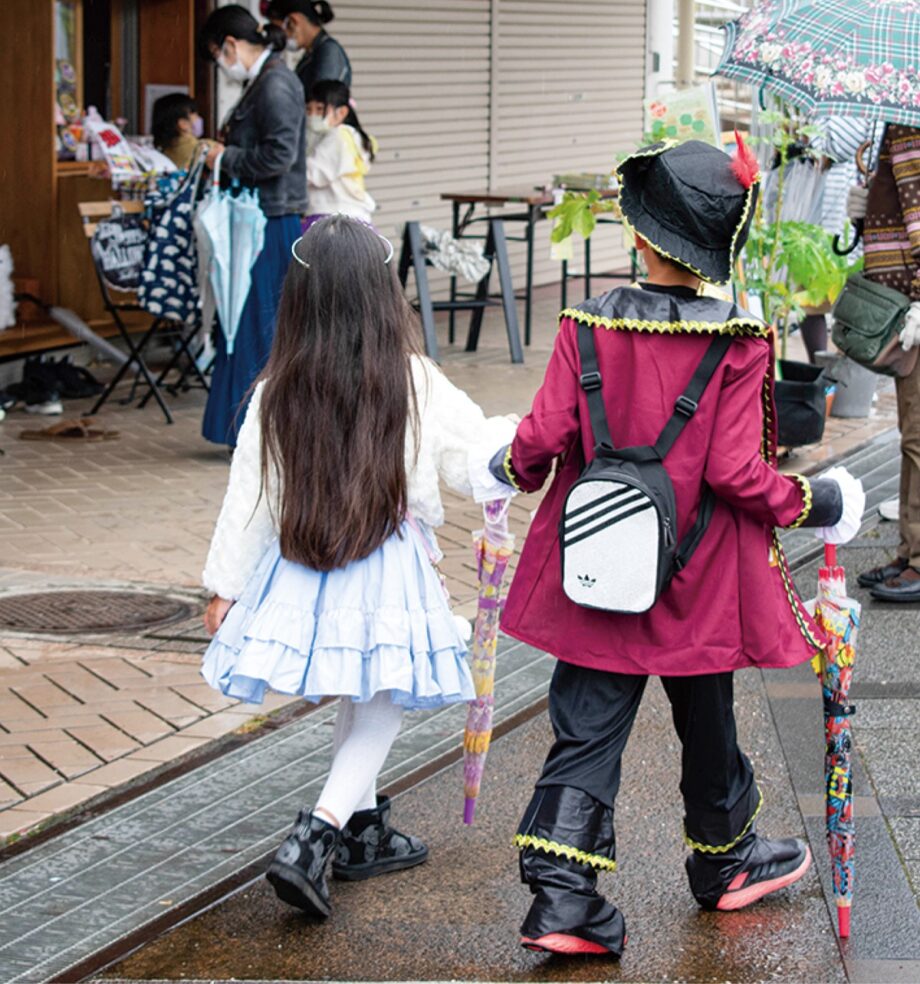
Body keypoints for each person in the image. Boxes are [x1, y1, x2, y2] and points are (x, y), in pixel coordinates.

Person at [486, 138, 865, 957]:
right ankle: (726, 860)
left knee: (585, 724)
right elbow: (736, 472)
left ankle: (561, 899)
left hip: (596, 562)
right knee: (709, 717)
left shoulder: (583, 327)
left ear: (645, 236)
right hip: (696, 573)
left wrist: (506, 464)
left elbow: (540, 442)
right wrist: (813, 498)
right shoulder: (738, 341)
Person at [200, 216, 517, 918]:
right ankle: (316, 835)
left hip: (306, 563)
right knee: (382, 700)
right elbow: (476, 457)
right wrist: (531, 441)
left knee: (361, 688)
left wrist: (224, 585)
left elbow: (249, 498)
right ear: (384, 295)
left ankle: (364, 831)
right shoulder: (414, 380)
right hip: (385, 567)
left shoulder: (276, 388)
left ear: (299, 300)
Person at [197, 5, 307, 449]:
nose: (221, 65)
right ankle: (246, 430)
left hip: (270, 219)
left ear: (229, 45)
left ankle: (257, 432)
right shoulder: (268, 80)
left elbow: (279, 156)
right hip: (259, 217)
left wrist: (222, 158)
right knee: (245, 320)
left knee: (259, 323)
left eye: (217, 55)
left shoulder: (276, 82)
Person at [847, 124, 920, 602]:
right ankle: (910, 550)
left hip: (911, 304)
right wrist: (864, 211)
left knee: (917, 436)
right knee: (911, 433)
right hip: (903, 303)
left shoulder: (912, 127)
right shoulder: (899, 126)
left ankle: (917, 559)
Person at [304, 79, 376, 230]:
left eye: (319, 109)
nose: (312, 115)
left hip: (332, 218)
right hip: (356, 218)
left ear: (342, 112)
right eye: (308, 110)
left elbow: (312, 173)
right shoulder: (353, 136)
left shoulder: (337, 137)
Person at [278, 0, 351, 103]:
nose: (282, 37)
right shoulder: (313, 51)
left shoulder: (328, 51)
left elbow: (322, 101)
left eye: (280, 30)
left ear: (293, 21)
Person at [150, 93, 210, 171]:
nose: (198, 118)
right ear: (183, 124)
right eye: (194, 114)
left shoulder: (162, 149)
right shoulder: (201, 147)